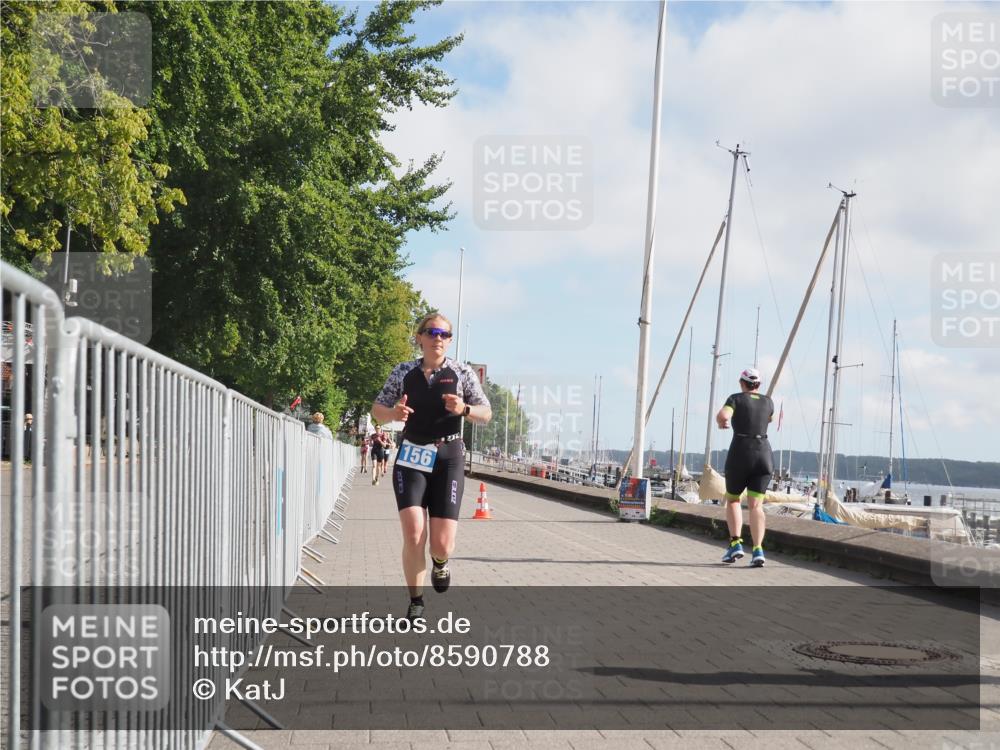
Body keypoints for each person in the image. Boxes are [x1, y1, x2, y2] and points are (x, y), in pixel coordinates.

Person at [371, 312, 491, 622]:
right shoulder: (403, 372)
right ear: (420, 337)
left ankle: (440, 562)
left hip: (447, 456)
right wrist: (393, 412)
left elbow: (486, 413)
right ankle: (416, 601)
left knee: (441, 543)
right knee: (413, 534)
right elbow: (377, 410)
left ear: (449, 341)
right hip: (411, 455)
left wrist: (464, 409)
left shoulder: (461, 373)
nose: (438, 338)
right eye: (432, 331)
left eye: (444, 334)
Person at [715, 367, 774, 567]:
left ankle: (736, 544)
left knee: (732, 500)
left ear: (742, 383)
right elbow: (769, 418)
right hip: (764, 455)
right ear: (758, 385)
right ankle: (758, 550)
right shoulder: (769, 402)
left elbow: (724, 415)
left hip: (741, 452)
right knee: (756, 505)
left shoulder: (736, 399)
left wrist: (722, 421)